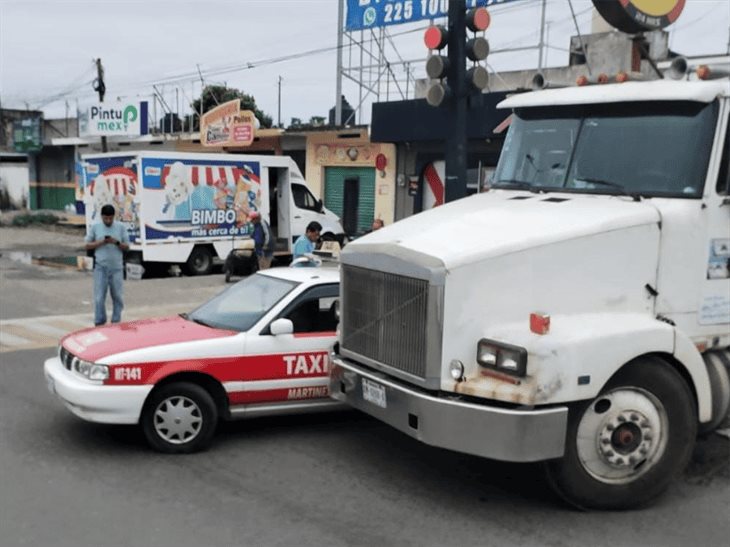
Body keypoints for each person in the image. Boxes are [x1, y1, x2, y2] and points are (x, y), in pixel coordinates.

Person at [85, 204, 130, 326]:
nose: (108, 221)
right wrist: (101, 242)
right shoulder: (95, 227)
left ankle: (116, 320)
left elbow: (127, 246)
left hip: (116, 268)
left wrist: (116, 242)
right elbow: (87, 245)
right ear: (102, 217)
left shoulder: (120, 228)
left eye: (110, 218)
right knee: (99, 297)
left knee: (117, 296)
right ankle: (100, 321)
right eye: (106, 218)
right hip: (101, 268)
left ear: (113, 217)